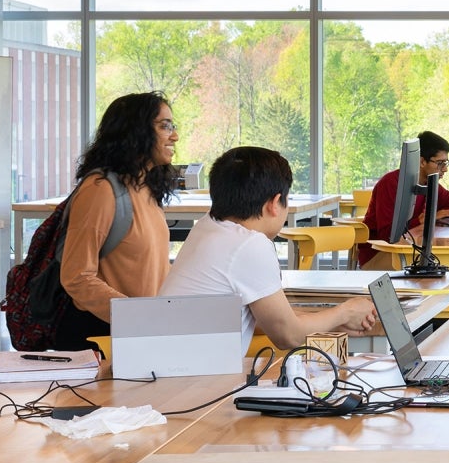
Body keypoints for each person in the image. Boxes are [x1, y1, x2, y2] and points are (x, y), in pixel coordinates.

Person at [161, 146, 376, 351]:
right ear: (275, 203)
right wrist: (346, 312)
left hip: (169, 374)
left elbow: (272, 318)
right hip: (193, 383)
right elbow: (287, 335)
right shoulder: (249, 244)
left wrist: (331, 320)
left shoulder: (209, 228)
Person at [55, 92, 180, 351]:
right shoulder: (100, 190)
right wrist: (135, 317)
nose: (174, 135)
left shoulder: (146, 188)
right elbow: (76, 277)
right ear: (135, 131)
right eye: (164, 126)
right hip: (102, 338)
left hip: (142, 332)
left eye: (173, 126)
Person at [358, 131, 449, 298]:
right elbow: (388, 236)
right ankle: (431, 315)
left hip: (414, 252)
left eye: (446, 163)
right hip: (382, 254)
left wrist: (437, 215)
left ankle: (438, 317)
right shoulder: (391, 183)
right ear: (422, 161)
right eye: (440, 163)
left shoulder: (431, 184)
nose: (444, 169)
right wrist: (420, 221)